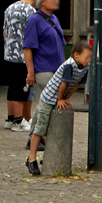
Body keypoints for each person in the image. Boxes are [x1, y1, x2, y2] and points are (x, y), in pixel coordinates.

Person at [26, 41, 91, 175]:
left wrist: (66, 98)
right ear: (76, 55)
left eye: (90, 58)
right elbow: (64, 83)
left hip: (59, 97)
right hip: (49, 98)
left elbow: (76, 85)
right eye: (86, 57)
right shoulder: (69, 66)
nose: (88, 60)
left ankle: (48, 156)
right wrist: (60, 99)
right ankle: (31, 158)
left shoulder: (85, 68)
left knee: (53, 128)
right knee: (41, 128)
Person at [22, 0, 66, 149]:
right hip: (43, 70)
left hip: (55, 70)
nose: (57, 1)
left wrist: (62, 67)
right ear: (43, 2)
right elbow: (28, 48)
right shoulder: (34, 20)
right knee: (45, 104)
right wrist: (31, 72)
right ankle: (35, 137)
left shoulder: (54, 18)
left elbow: (60, 44)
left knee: (44, 104)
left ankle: (36, 137)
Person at [3, 0, 38, 131]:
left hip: (9, 53)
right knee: (21, 89)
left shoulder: (10, 8)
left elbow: (4, 32)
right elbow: (33, 35)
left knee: (12, 87)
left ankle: (10, 119)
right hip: (23, 55)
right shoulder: (31, 11)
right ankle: (18, 121)